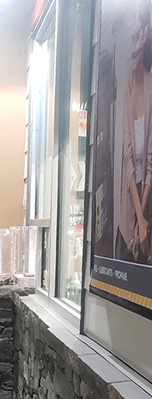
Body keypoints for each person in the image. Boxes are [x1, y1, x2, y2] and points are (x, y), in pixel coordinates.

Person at [116, 5, 152, 263]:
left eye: (139, 37)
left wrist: (145, 216)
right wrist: (139, 218)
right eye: (132, 39)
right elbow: (128, 161)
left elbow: (150, 160)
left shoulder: (151, 88)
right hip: (129, 200)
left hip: (147, 192)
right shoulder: (125, 91)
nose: (135, 46)